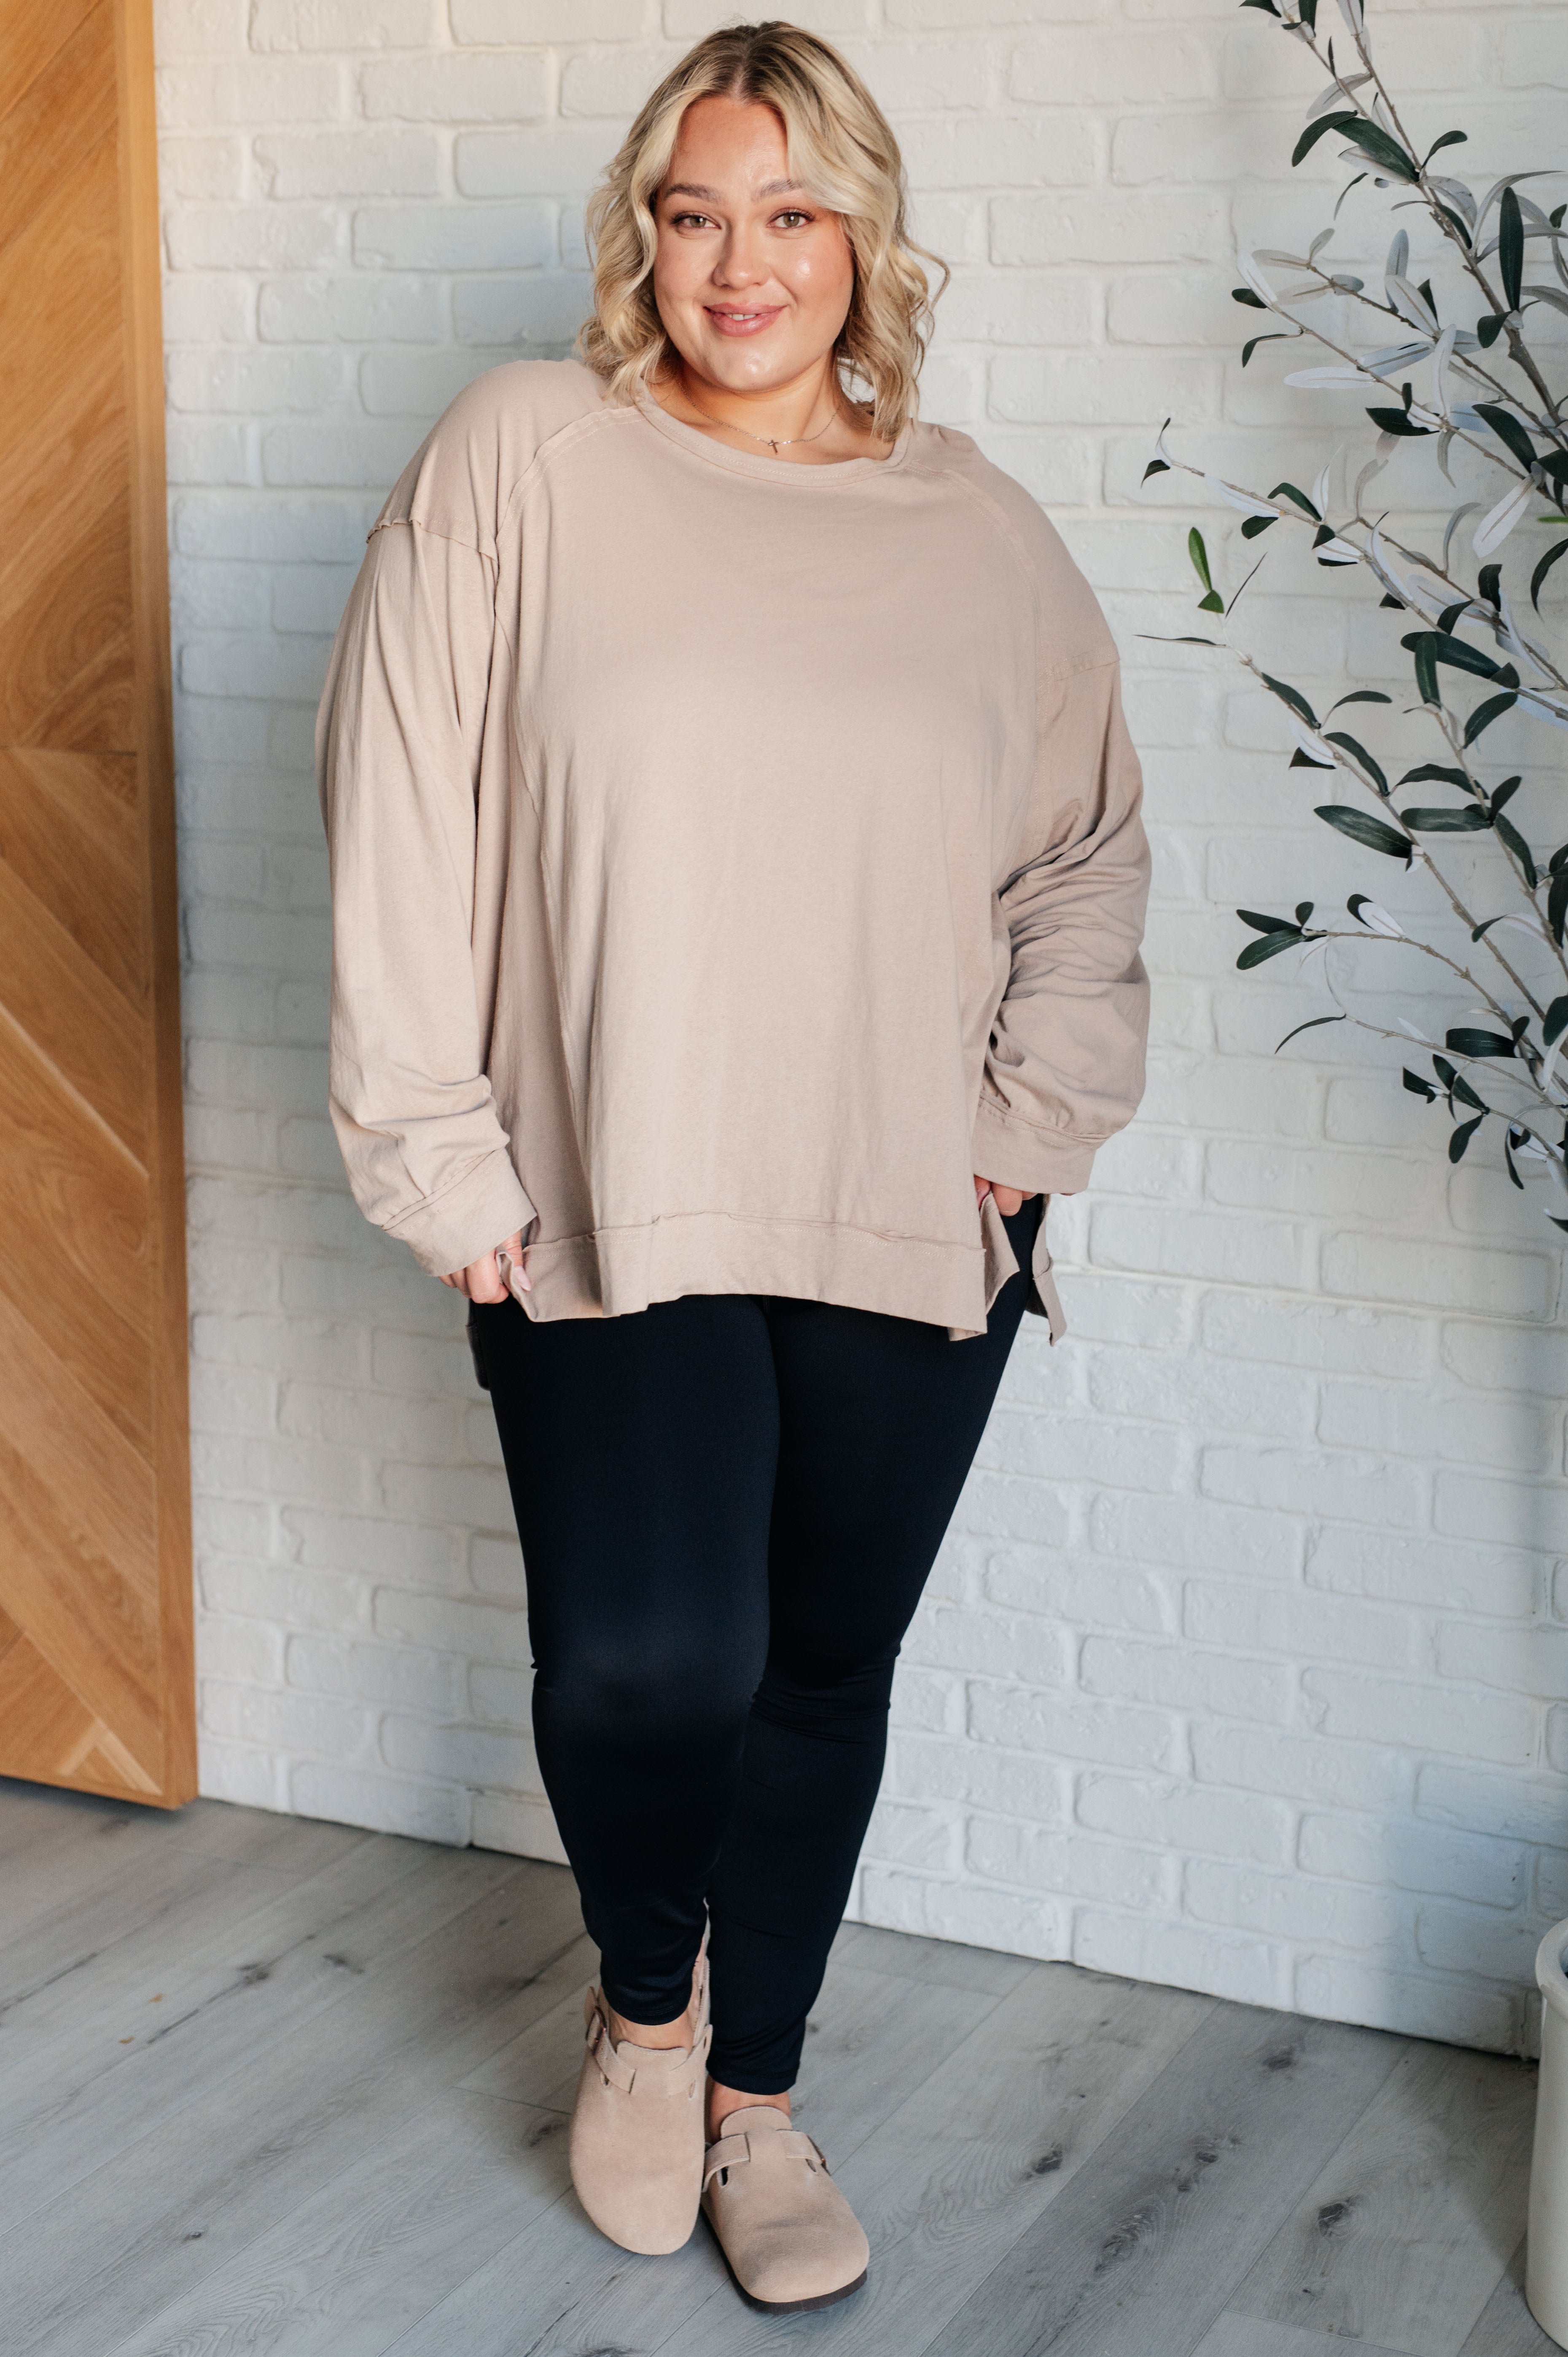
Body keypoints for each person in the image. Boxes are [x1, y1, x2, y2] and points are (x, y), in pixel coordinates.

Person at [317, 18, 1149, 2319]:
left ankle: (758, 2096)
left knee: (814, 1667)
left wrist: (1013, 1143)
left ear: (864, 236)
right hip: (603, 1192)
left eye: (790, 212)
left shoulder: (975, 528)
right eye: (694, 211)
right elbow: (396, 814)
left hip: (905, 1205)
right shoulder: (523, 457)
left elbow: (1084, 858)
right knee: (642, 1665)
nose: (738, 260)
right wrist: (438, 1152)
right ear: (641, 233)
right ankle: (646, 2011)